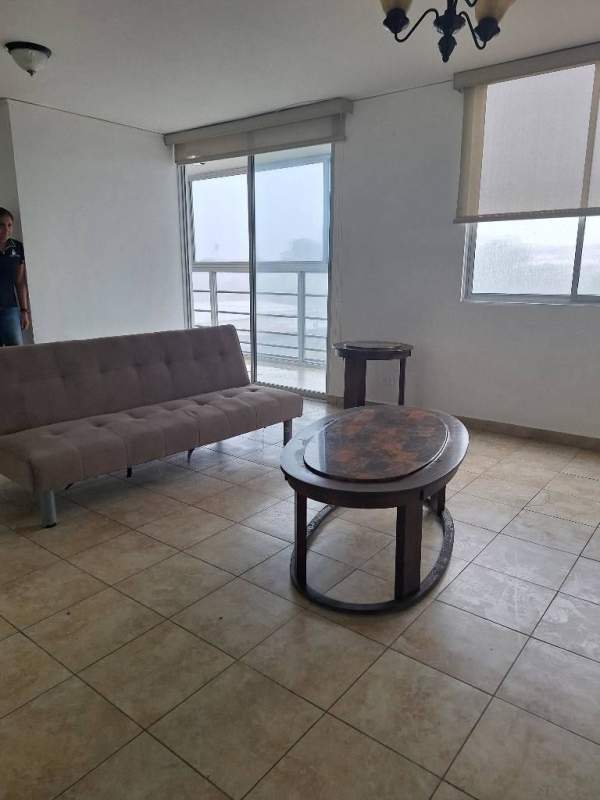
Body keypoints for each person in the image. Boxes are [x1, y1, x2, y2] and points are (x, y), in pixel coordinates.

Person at [0, 208, 30, 346]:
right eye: (1, 225)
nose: (6, 230)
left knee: (17, 355)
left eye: (9, 225)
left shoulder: (17, 248)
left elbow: (19, 281)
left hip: (10, 310)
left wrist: (24, 310)